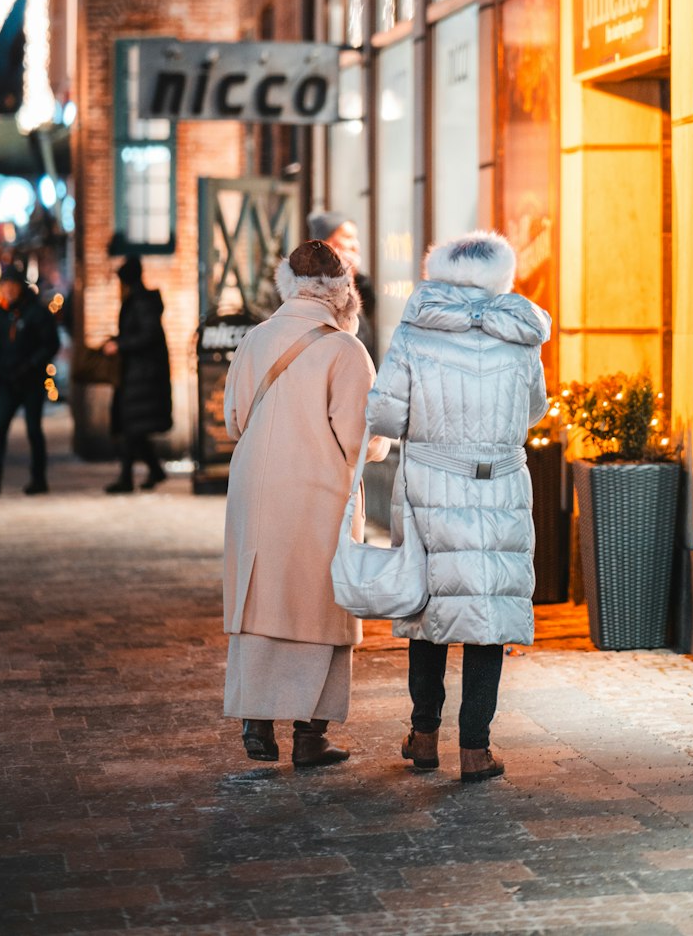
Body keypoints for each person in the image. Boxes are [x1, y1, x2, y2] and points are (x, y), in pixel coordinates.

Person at [366, 229, 550, 784]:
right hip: (499, 486)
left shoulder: (417, 329)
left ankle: (424, 738)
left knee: (429, 609)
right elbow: (534, 410)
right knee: (486, 613)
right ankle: (475, 749)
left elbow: (385, 416)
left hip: (430, 484)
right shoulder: (521, 334)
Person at [222, 239, 390, 767]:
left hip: (254, 488)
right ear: (343, 292)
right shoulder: (345, 349)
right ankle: (310, 736)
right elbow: (363, 439)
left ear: (287, 287)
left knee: (261, 598)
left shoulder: (255, 338)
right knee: (318, 605)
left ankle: (257, 720)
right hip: (319, 492)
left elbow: (232, 419)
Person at [0, 266, 61, 497]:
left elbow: (50, 344)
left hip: (31, 381)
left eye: (11, 285)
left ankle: (39, 479)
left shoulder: (36, 313)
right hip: (8, 382)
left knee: (34, 430)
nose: (8, 290)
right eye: (4, 286)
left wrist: (31, 364)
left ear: (20, 287)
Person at [103, 257, 172, 493]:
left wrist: (120, 345)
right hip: (137, 373)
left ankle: (126, 479)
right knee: (133, 427)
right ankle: (154, 469)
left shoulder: (141, 301)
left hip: (143, 374)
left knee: (131, 427)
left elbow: (147, 335)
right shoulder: (139, 300)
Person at [307, 209, 376, 359]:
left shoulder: (355, 280)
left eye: (355, 238)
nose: (355, 245)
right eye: (347, 237)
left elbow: (369, 308)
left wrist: (354, 275)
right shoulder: (314, 286)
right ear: (327, 243)